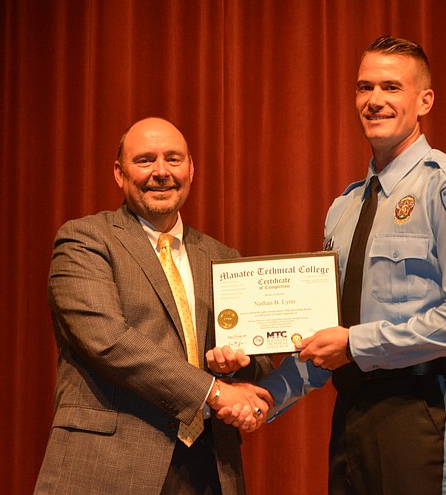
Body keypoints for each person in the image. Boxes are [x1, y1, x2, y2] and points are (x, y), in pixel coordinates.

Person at [217, 35, 446, 494]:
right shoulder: (344, 208)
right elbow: (326, 337)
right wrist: (266, 395)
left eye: (391, 87)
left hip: (421, 408)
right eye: (364, 87)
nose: (374, 100)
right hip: (352, 409)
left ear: (424, 100)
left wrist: (355, 344)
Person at [34, 117, 273, 495]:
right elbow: (107, 341)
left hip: (208, 468)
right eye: (145, 160)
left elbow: (257, 360)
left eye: (173, 159)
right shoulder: (84, 240)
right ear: (119, 172)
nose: (161, 172)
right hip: (109, 467)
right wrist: (214, 390)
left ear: (191, 168)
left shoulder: (222, 257)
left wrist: (236, 366)